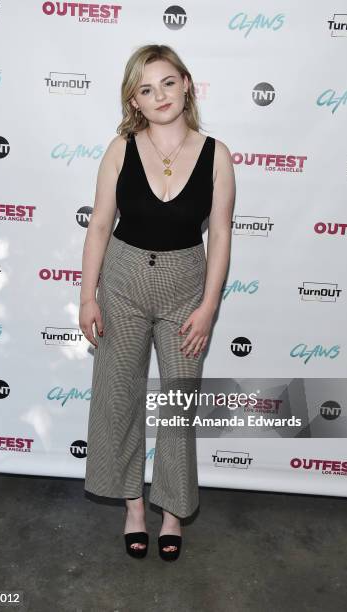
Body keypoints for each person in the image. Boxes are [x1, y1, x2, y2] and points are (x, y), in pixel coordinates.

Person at [79, 44, 235, 561]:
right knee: (118, 398)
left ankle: (172, 514)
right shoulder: (120, 149)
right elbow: (100, 225)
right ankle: (134, 509)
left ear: (186, 84)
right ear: (135, 102)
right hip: (121, 283)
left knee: (177, 407)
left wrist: (209, 305)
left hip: (185, 287)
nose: (160, 96)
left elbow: (222, 235)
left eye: (167, 83)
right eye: (146, 89)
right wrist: (87, 297)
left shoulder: (217, 154)